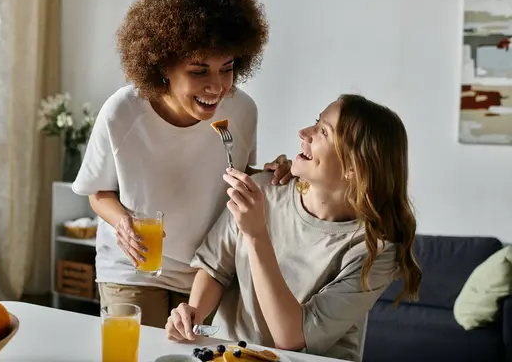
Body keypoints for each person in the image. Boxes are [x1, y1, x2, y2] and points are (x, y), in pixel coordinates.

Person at [71, 0, 292, 329]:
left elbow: (236, 174)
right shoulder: (123, 112)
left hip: (208, 270)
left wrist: (272, 173)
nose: (217, 86)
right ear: (162, 64)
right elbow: (98, 192)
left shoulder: (242, 110)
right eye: (199, 70)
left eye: (227, 68)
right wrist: (123, 223)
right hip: (135, 268)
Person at [165, 94, 423, 362]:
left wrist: (256, 235)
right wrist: (192, 313)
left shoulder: (374, 250)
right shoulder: (264, 190)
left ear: (354, 167)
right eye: (316, 122)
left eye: (323, 131)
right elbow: (214, 269)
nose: (303, 133)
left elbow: (291, 338)